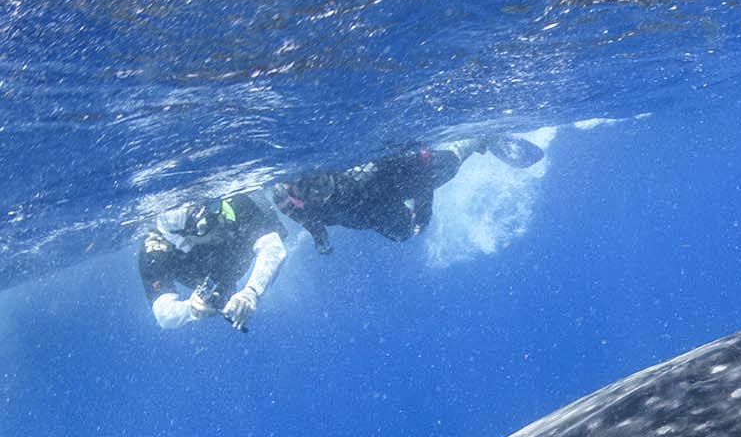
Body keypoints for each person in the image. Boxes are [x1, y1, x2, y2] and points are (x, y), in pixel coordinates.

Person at [274, 135, 544, 254]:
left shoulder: (362, 176)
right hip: (375, 206)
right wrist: (320, 239)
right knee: (402, 232)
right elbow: (307, 219)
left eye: (310, 187)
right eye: (296, 191)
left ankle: (478, 138)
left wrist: (425, 201)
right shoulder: (286, 198)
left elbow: (417, 166)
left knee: (446, 164)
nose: (296, 193)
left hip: (401, 178)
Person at [139, 192, 290, 332]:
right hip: (208, 270)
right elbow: (163, 314)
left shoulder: (232, 204)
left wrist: (251, 292)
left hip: (235, 255)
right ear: (185, 238)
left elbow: (273, 247)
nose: (219, 221)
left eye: (213, 209)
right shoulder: (155, 251)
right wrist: (190, 309)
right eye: (206, 225)